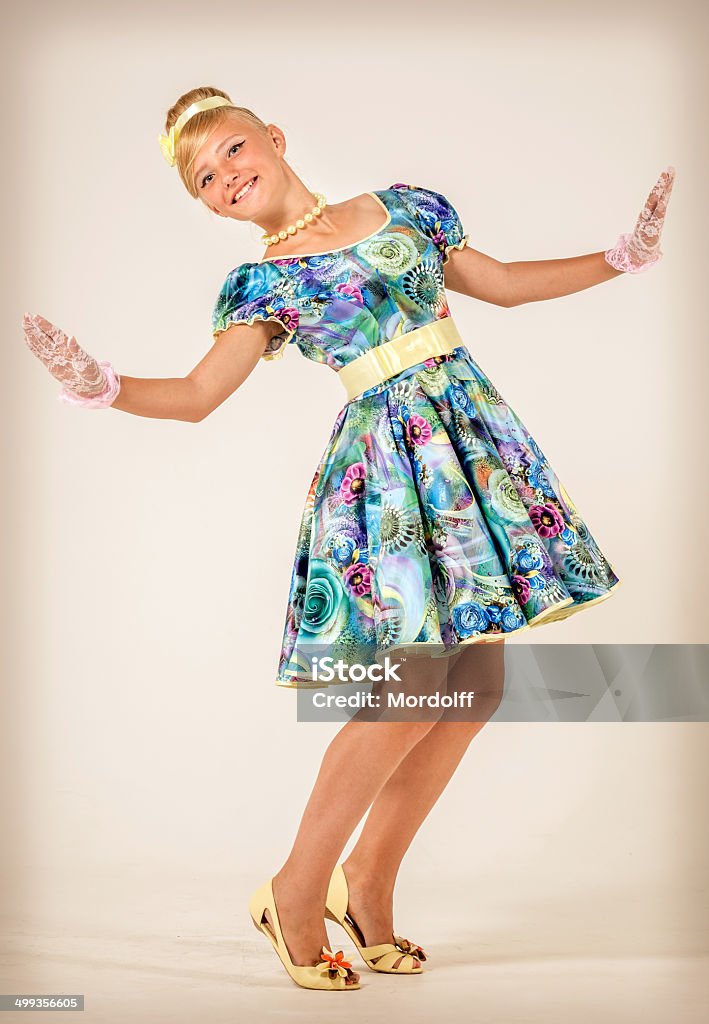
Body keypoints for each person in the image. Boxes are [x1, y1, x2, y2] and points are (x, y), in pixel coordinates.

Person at [21, 86, 675, 993]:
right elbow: (198, 396)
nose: (226, 178)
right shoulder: (262, 284)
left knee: (475, 684)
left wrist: (619, 258)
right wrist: (100, 383)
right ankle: (293, 890)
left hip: (470, 444)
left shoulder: (404, 208)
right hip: (386, 473)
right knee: (410, 685)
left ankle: (365, 883)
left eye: (233, 151)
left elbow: (506, 285)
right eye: (205, 180)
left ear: (275, 139)